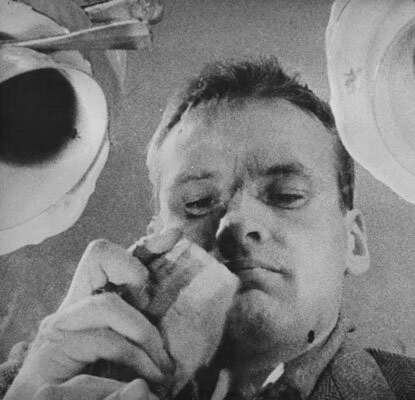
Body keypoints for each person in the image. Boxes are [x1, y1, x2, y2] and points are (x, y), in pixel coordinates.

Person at [3, 57, 415, 399]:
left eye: (286, 195)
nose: (236, 223)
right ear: (152, 243)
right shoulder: (27, 382)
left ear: (353, 243)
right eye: (198, 203)